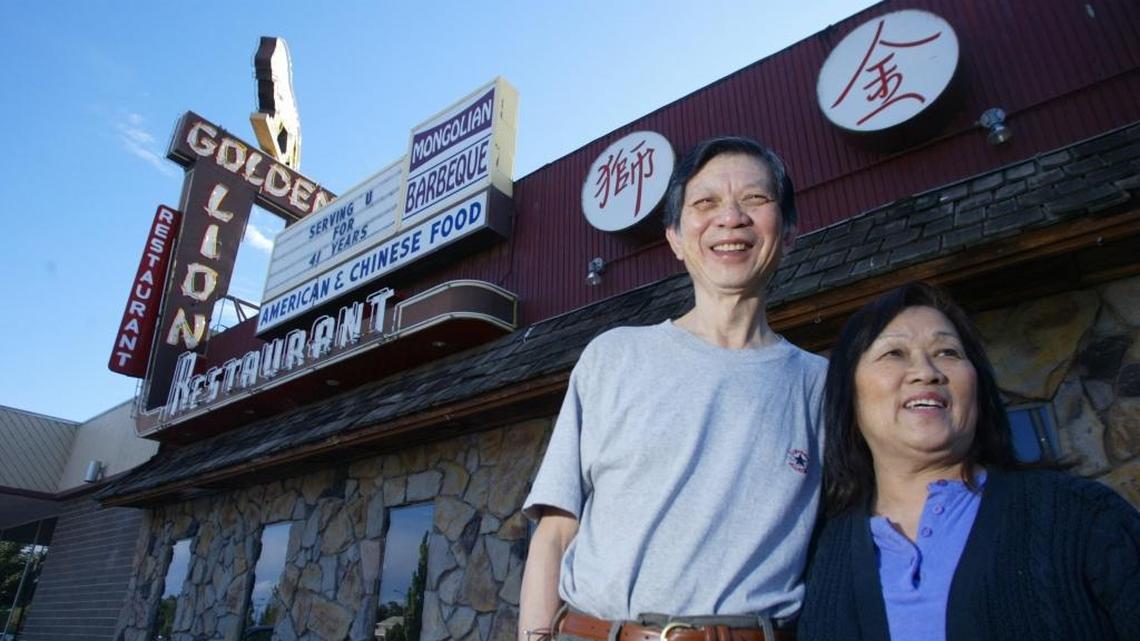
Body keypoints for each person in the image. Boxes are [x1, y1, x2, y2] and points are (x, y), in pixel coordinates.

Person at [519, 137, 827, 641]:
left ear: (789, 232)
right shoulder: (612, 356)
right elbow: (554, 533)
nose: (731, 218)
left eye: (754, 199)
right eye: (705, 203)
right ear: (676, 238)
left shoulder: (821, 386)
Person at [797, 282, 1140, 641]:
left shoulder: (1084, 517)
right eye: (894, 353)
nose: (927, 371)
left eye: (947, 352)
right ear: (848, 395)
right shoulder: (817, 556)